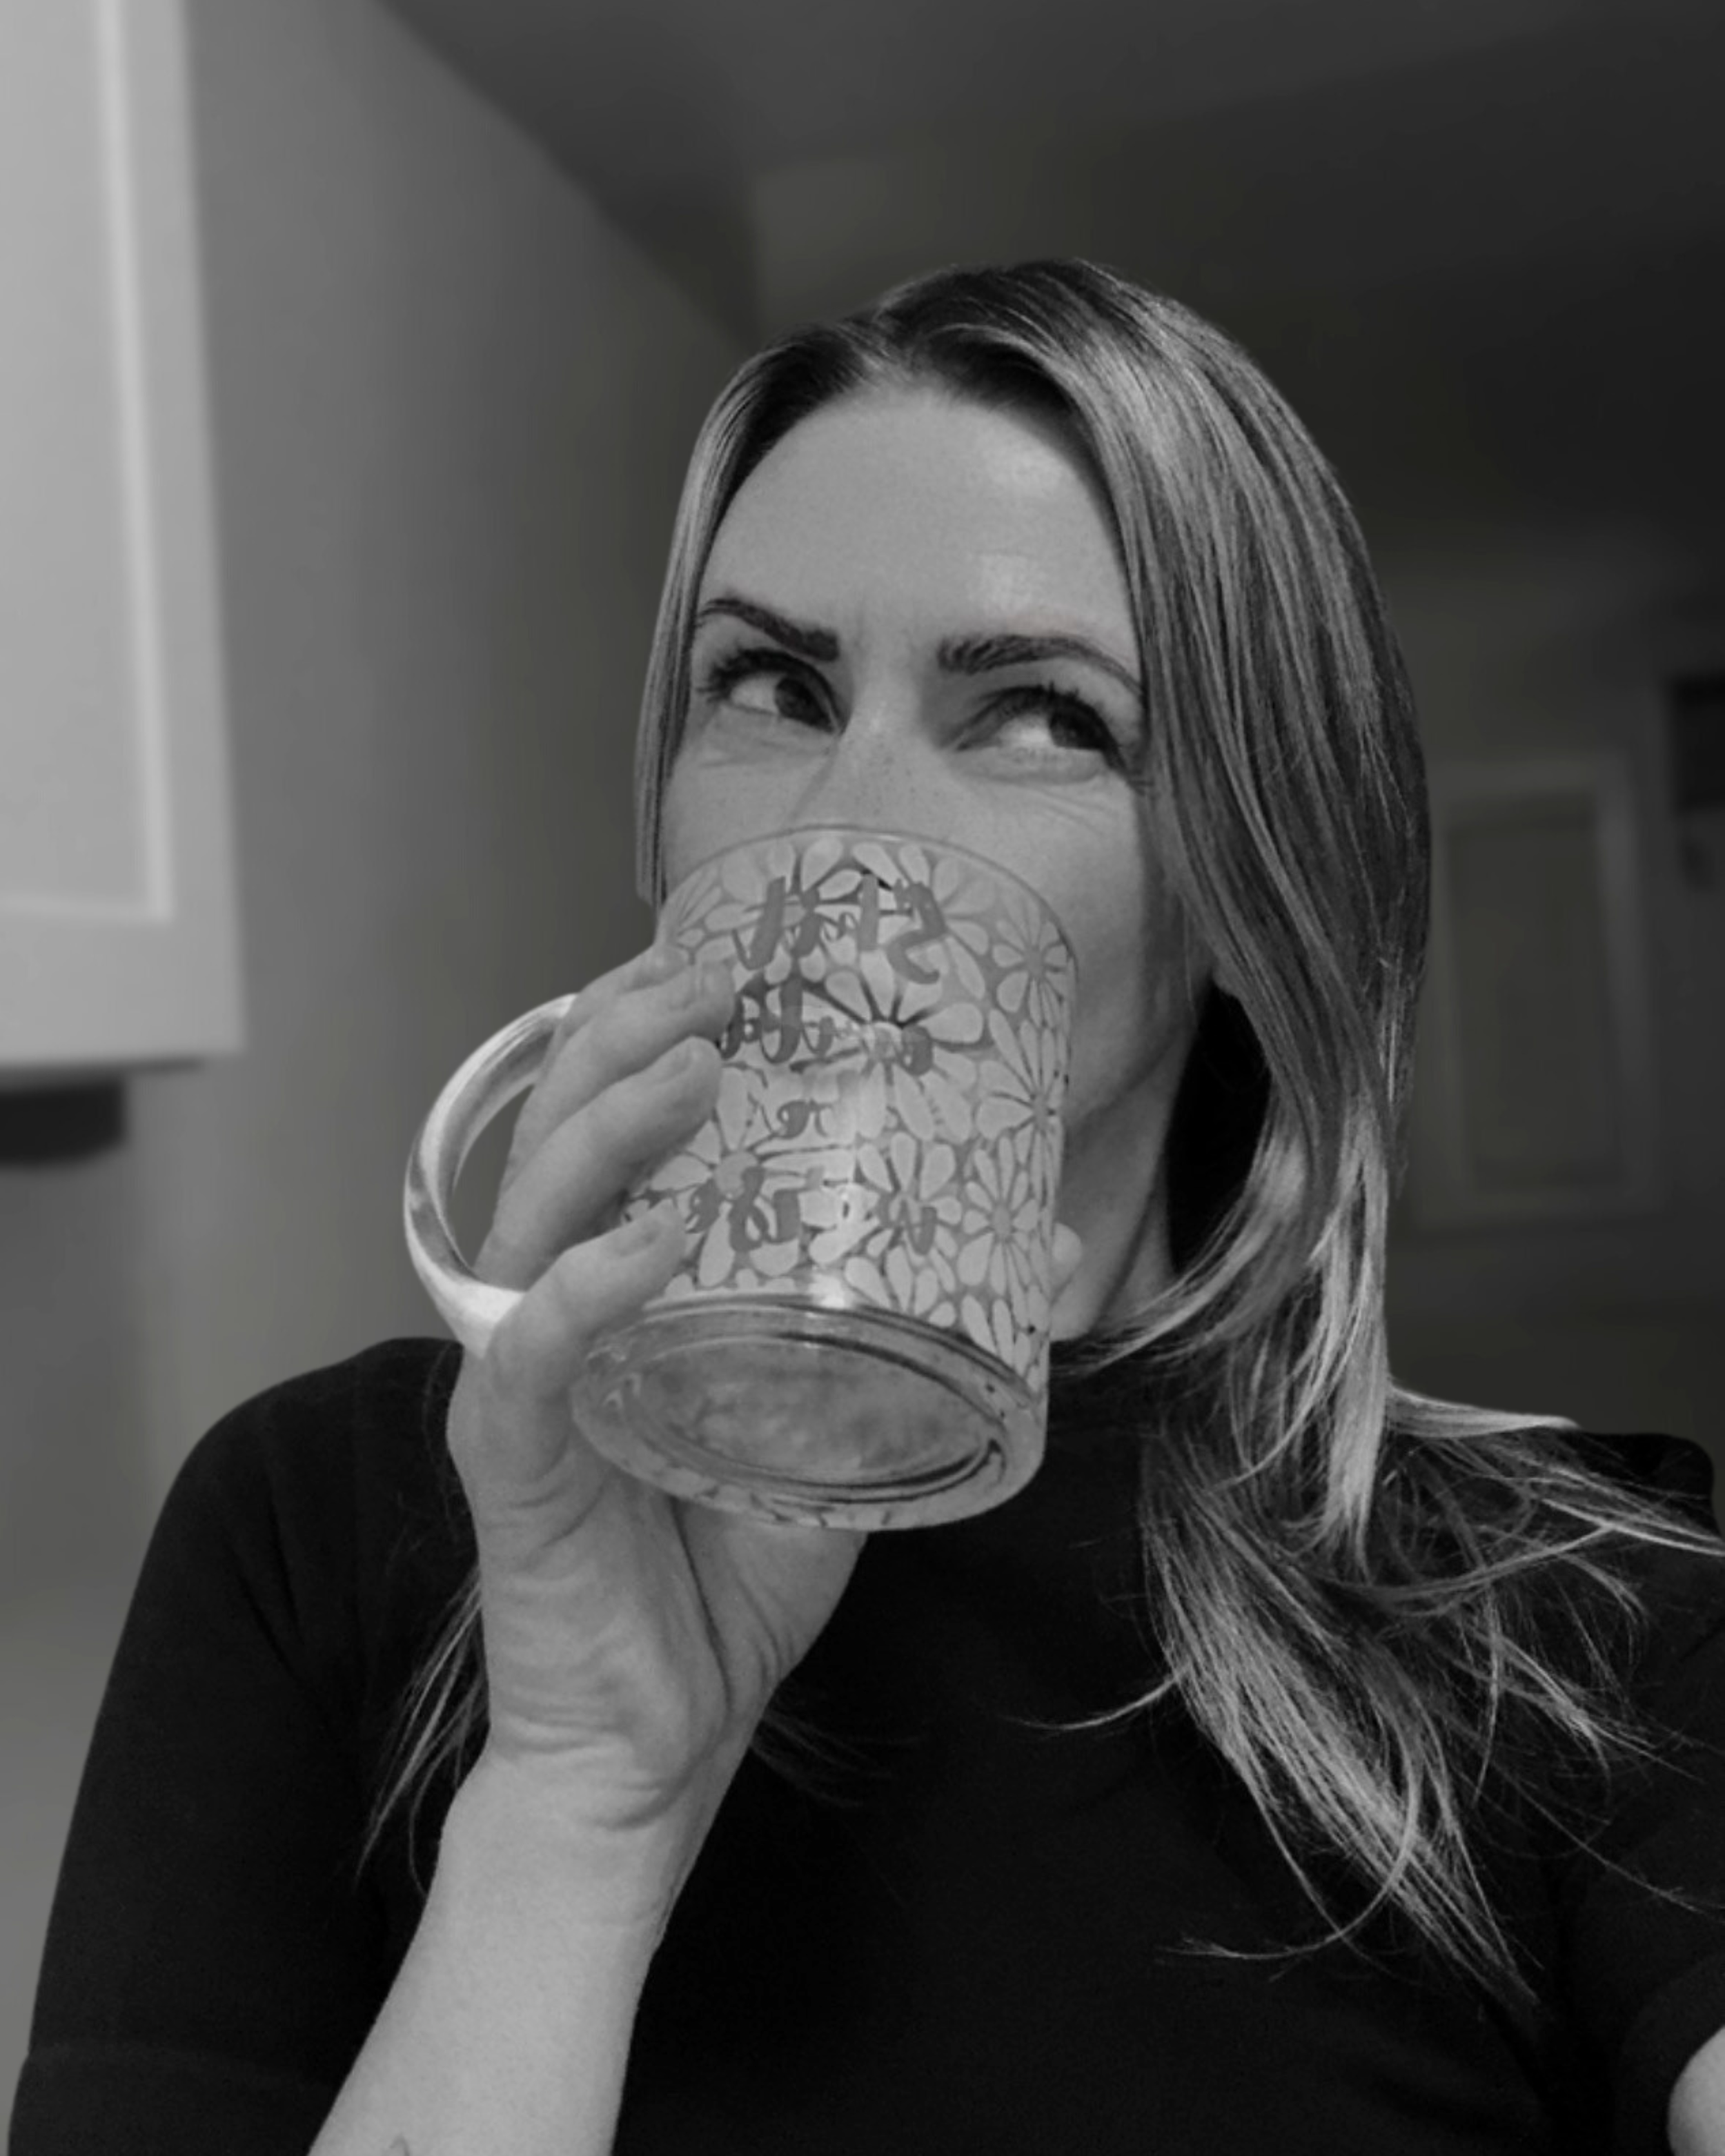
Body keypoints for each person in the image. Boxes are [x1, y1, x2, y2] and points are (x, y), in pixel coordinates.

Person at [12, 258, 1725, 2156]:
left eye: (1038, 715)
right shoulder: (317, 1527)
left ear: (1250, 888)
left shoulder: (1574, 1613)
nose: (843, 818)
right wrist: (580, 1805)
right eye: (773, 683)